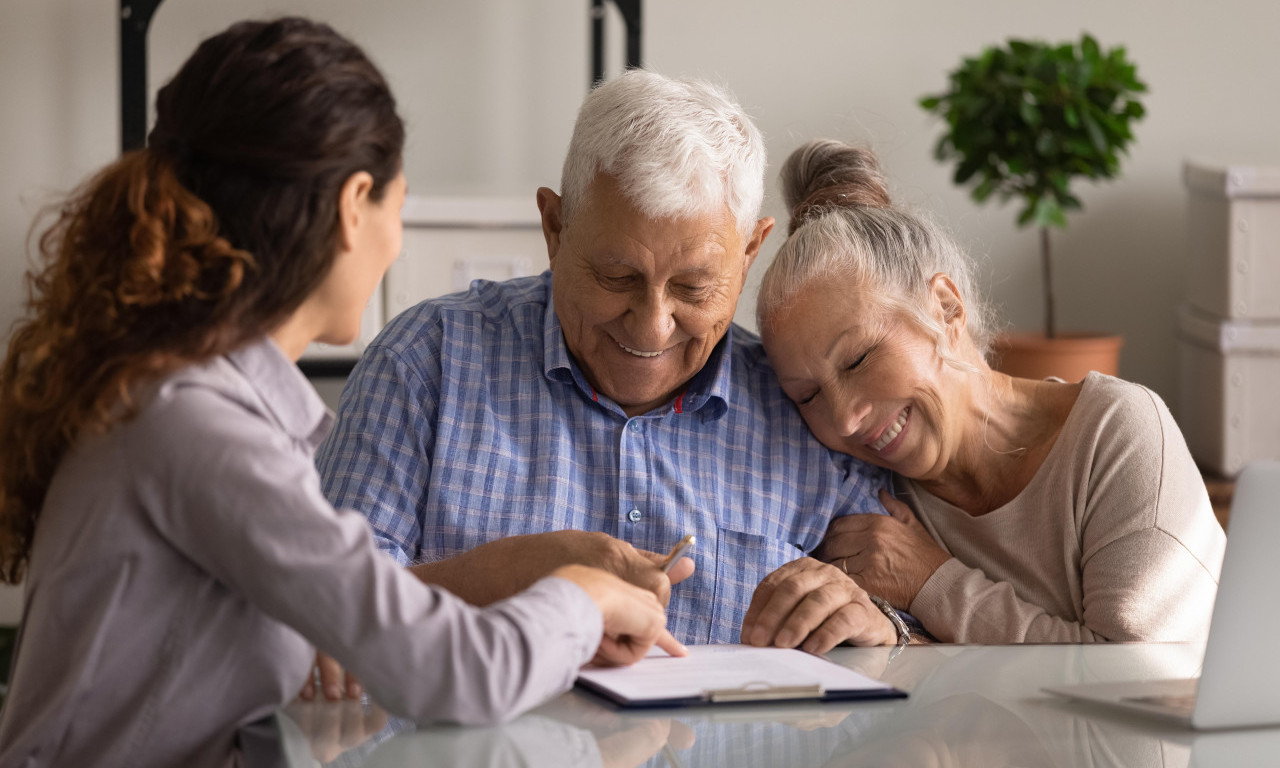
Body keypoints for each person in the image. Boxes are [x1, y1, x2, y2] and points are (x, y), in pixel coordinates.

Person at [0, 18, 682, 767]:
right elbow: (456, 673)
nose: (395, 238)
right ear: (353, 206)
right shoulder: (196, 423)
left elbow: (358, 600)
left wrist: (531, 566)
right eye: (398, 204)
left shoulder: (204, 398)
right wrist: (580, 600)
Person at [316, 70, 896, 663]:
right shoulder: (426, 363)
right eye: (616, 277)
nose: (651, 326)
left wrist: (884, 627)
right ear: (554, 228)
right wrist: (500, 577)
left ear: (749, 252)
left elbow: (912, 627)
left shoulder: (812, 404)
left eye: (694, 288)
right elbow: (311, 621)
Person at [753, 138, 1225, 644]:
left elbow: (1133, 677)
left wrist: (933, 583)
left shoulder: (1116, 433)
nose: (844, 419)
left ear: (945, 308)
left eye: (858, 359)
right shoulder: (865, 497)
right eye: (807, 397)